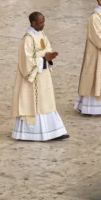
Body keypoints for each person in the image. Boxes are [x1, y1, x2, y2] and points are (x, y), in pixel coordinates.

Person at [11, 12, 69, 141]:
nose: (44, 24)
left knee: (46, 101)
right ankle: (33, 133)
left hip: (43, 75)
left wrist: (50, 56)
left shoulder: (41, 34)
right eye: (41, 22)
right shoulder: (27, 39)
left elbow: (46, 47)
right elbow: (26, 61)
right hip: (33, 79)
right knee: (35, 103)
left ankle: (53, 131)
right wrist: (43, 59)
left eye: (44, 21)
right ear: (33, 23)